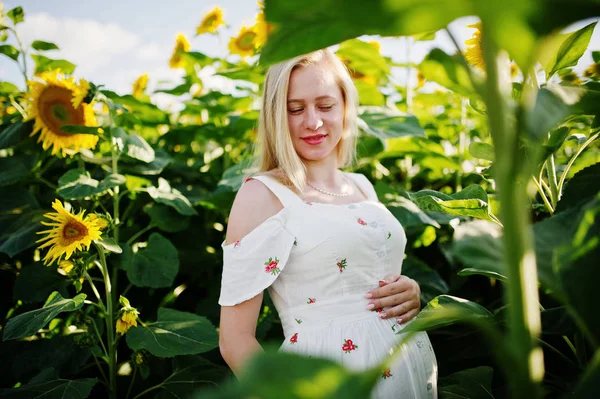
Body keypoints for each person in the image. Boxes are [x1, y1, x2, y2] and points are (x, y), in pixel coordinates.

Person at [218, 48, 437, 398]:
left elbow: (365, 277)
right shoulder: (262, 194)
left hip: (407, 367)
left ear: (346, 106)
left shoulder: (362, 185)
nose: (313, 122)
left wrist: (409, 290)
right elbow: (234, 339)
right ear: (276, 115)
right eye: (295, 109)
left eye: (325, 105)